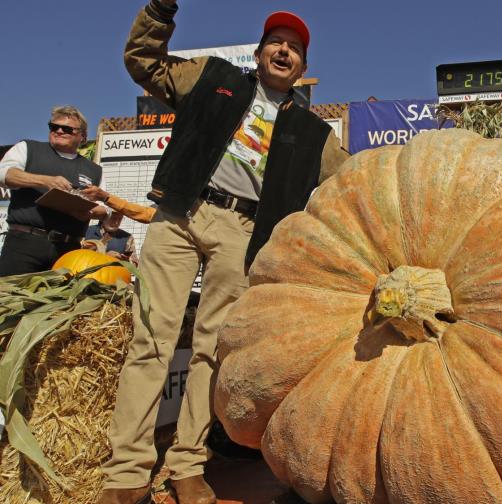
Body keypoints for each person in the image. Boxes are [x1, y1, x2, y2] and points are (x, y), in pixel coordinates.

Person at [98, 1, 349, 503]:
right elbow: (143, 60)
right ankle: (125, 474)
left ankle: (187, 465)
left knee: (212, 353)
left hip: (244, 233)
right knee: (151, 341)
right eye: (277, 42)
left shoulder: (315, 133)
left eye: (296, 48)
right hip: (181, 216)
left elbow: (356, 184)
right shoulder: (213, 78)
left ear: (303, 66)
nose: (285, 51)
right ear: (259, 54)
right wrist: (160, 9)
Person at [0, 106, 107, 275]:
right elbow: (4, 174)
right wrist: (45, 180)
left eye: (67, 129)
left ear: (83, 136)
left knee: (61, 301)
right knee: (11, 300)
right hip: (24, 245)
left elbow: (103, 208)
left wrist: (88, 211)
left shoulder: (94, 170)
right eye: (53, 126)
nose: (58, 131)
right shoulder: (28, 148)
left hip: (68, 250)